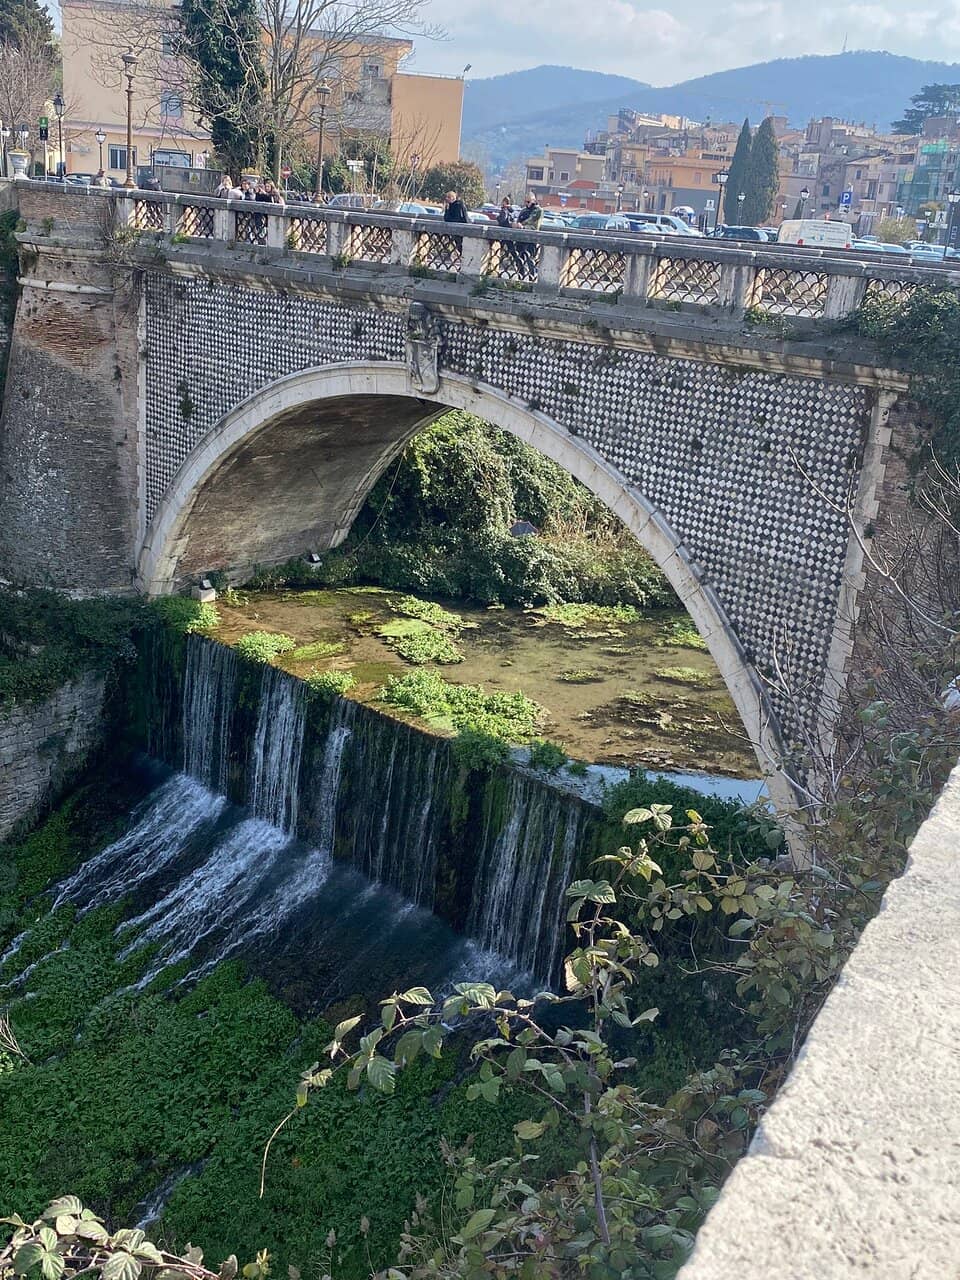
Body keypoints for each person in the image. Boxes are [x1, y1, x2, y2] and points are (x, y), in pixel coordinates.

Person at [515, 194, 543, 279]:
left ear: (534, 201)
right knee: (519, 258)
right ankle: (521, 277)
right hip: (520, 237)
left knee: (530, 259)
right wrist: (516, 225)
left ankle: (532, 278)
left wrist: (521, 225)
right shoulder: (523, 210)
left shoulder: (538, 210)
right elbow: (518, 220)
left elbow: (531, 220)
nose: (526, 204)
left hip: (532, 237)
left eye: (528, 201)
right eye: (525, 201)